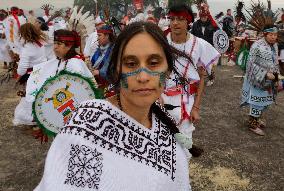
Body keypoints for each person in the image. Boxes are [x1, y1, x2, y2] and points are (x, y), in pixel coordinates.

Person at [34, 21, 192, 191]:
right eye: (131, 64)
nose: (143, 76)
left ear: (167, 70)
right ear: (116, 71)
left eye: (153, 63)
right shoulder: (88, 123)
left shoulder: (164, 120)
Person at [162, 4, 220, 156]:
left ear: (188, 21)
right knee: (161, 144)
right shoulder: (160, 41)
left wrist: (196, 108)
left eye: (180, 19)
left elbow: (202, 77)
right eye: (172, 19)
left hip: (186, 103)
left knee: (183, 148)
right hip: (161, 100)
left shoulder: (199, 45)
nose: (175, 23)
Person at [241, 25, 279, 136]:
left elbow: (275, 62)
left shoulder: (274, 46)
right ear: (265, 34)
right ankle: (252, 124)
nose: (273, 37)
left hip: (269, 81)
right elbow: (250, 64)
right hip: (257, 80)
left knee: (264, 102)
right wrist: (265, 73)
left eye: (275, 35)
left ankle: (257, 119)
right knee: (257, 102)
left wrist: (276, 77)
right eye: (271, 35)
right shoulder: (257, 45)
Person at [13, 23, 47, 126]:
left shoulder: (27, 48)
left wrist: (18, 72)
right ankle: (42, 117)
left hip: (31, 77)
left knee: (30, 98)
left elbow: (22, 69)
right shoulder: (40, 43)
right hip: (42, 73)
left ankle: (33, 120)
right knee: (39, 96)